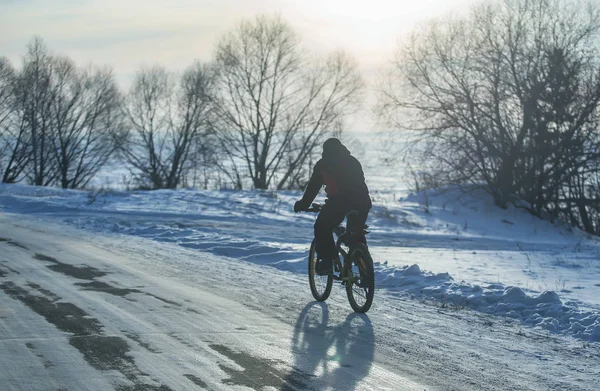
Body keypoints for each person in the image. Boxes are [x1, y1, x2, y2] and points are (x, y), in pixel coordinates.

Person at [294, 138, 372, 275]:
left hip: (340, 202)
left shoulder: (323, 165)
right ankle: (365, 269)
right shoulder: (353, 161)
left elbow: (313, 188)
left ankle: (326, 261)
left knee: (322, 226)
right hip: (362, 202)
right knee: (355, 234)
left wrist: (303, 205)